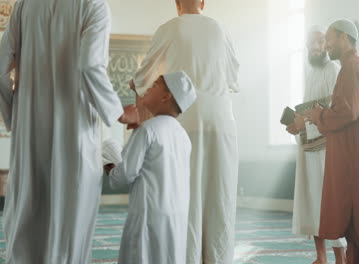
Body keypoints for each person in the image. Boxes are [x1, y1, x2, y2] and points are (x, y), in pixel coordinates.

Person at [0, 0, 138, 263]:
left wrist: (15, 117)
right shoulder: (93, 5)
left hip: (29, 135)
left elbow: (0, 67)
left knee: (28, 221)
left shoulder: (24, 5)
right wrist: (117, 112)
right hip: (75, 135)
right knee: (69, 229)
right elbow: (90, 66)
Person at [131, 0, 240, 263]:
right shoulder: (220, 29)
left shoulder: (169, 28)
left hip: (185, 120)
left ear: (177, 3)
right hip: (222, 121)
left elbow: (142, 78)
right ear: (203, 2)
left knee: (185, 199)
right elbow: (234, 79)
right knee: (220, 200)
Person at [300, 19, 359, 263]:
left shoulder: (351, 67)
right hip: (356, 156)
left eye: (329, 38)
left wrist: (317, 115)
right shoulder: (358, 65)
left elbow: (346, 112)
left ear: (344, 38)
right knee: (354, 232)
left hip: (354, 161)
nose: (326, 44)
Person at [106, 71, 196, 264]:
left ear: (166, 96)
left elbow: (120, 178)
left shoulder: (148, 130)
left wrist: (108, 162)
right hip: (175, 219)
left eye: (155, 84)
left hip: (148, 218)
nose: (147, 88)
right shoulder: (183, 136)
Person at [286, 25, 346, 264]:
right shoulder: (309, 73)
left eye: (321, 41)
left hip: (328, 147)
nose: (315, 46)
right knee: (312, 200)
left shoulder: (334, 69)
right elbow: (308, 109)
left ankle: (340, 259)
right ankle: (320, 256)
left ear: (327, 44)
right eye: (311, 42)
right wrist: (295, 123)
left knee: (330, 202)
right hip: (309, 145)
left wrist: (306, 122)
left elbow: (335, 111)